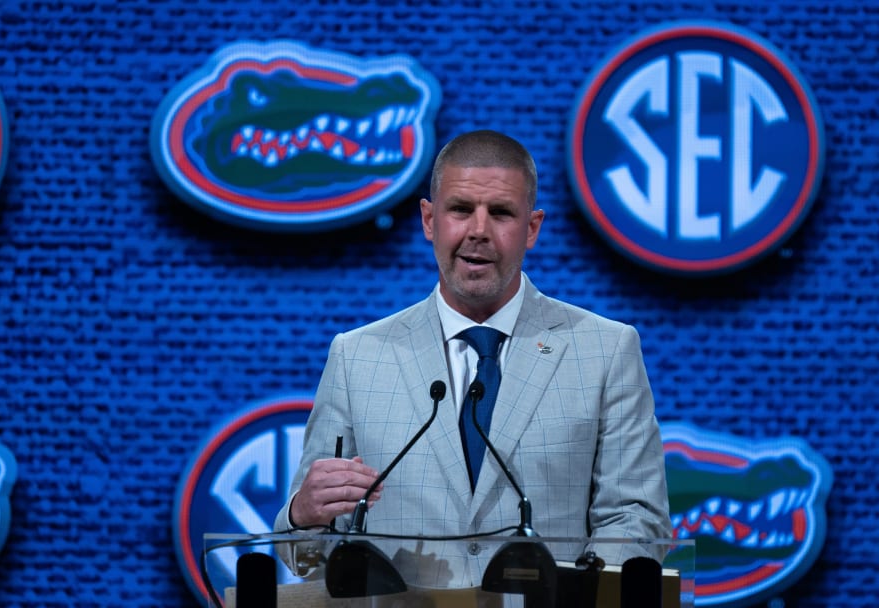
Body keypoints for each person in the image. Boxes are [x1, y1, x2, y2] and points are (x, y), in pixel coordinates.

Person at [274, 129, 671, 587]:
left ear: (532, 228)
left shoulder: (605, 351)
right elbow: (314, 550)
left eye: (500, 213)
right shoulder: (357, 357)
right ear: (429, 220)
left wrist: (575, 596)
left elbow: (636, 522)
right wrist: (302, 515)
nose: (478, 231)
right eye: (460, 209)